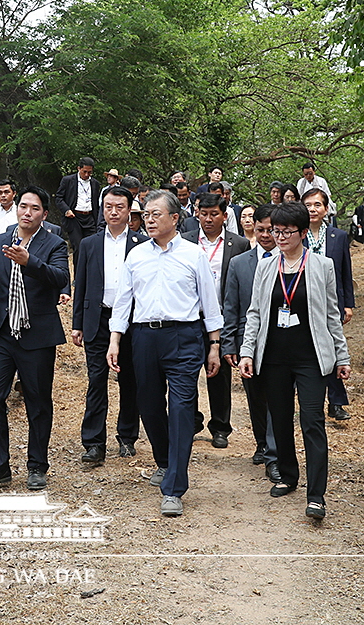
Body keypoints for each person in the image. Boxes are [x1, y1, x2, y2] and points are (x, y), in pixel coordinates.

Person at [108, 190, 223, 518]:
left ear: (175, 218)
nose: (149, 219)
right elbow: (123, 302)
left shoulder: (193, 254)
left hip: (184, 337)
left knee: (183, 408)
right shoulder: (137, 256)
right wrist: (116, 340)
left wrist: (214, 345)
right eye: (146, 214)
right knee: (149, 405)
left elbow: (209, 304)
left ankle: (174, 486)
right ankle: (165, 460)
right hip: (144, 337)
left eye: (156, 214)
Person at [239, 202, 351, 521]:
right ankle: (288, 474)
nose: (281, 237)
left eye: (288, 232)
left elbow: (331, 314)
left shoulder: (322, 266)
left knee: (312, 421)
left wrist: (341, 356)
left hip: (310, 358)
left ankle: (316, 495)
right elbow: (255, 313)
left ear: (304, 233)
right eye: (276, 231)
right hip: (274, 357)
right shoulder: (266, 266)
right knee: (281, 417)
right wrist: (248, 352)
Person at [0, 186, 70, 491]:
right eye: (23, 206)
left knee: (38, 403)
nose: (27, 212)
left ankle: (37, 466)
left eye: (34, 208)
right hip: (0, 333)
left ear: (44, 214)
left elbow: (60, 278)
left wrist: (31, 262)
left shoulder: (54, 244)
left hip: (37, 335)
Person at [72, 186, 146, 464]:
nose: (113, 212)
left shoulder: (141, 244)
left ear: (129, 211)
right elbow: (80, 284)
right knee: (96, 381)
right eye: (108, 207)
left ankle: (127, 437)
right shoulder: (89, 244)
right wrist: (77, 322)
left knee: (130, 381)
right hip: (97, 320)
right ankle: (93, 443)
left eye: (119, 207)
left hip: (131, 322)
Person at [182, 192, 250, 448]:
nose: (208, 219)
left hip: (222, 319)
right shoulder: (185, 241)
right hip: (190, 317)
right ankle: (192, 420)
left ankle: (220, 426)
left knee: (218, 374)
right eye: (203, 213)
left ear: (225, 215)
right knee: (187, 372)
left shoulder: (239, 244)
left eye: (214, 214)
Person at [222, 203, 280, 482]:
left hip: (281, 339)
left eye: (272, 230)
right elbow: (231, 306)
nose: (267, 235)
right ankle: (261, 442)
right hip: (249, 341)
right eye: (261, 230)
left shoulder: (288, 260)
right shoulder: (239, 263)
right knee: (256, 396)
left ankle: (274, 453)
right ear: (253, 230)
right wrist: (228, 344)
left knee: (277, 397)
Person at [302, 188, 356, 421]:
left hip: (331, 302)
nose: (312, 210)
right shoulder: (297, 234)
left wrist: (348, 304)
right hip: (302, 301)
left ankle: (335, 402)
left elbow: (345, 271)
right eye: (308, 205)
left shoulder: (338, 236)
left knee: (333, 350)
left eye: (317, 205)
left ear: (326, 209)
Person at [55, 157, 102, 267]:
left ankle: (90, 274)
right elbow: (59, 198)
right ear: (79, 169)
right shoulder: (68, 181)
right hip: (74, 218)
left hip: (90, 218)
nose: (86, 174)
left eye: (89, 172)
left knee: (92, 246)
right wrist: (66, 210)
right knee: (79, 248)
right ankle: (78, 278)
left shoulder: (95, 183)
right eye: (84, 171)